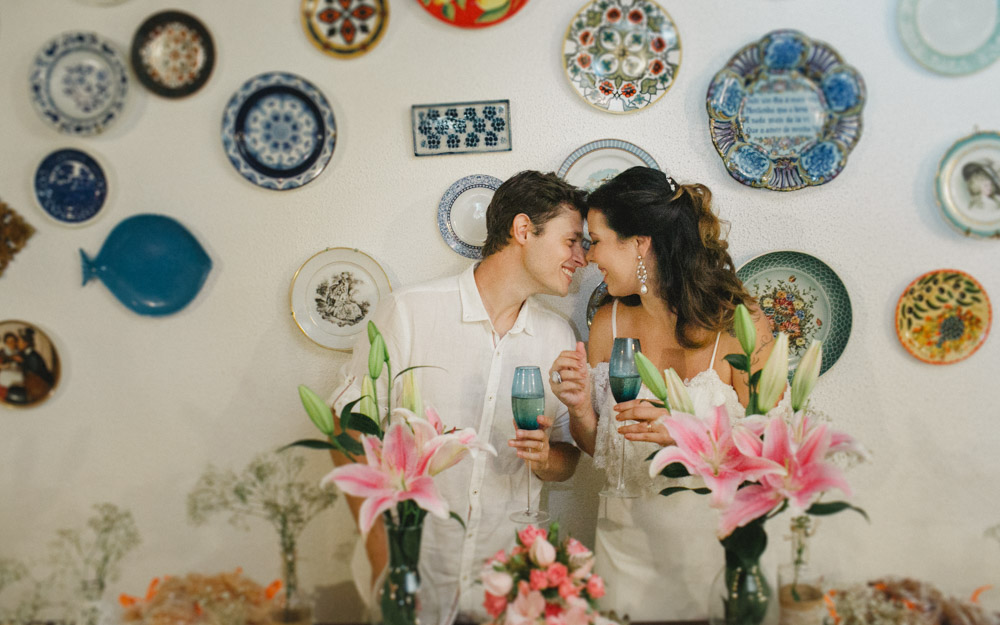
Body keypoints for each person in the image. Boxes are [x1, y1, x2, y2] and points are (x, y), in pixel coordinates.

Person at [329, 170, 588, 624]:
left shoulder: (557, 335)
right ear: (523, 230)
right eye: (572, 241)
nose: (581, 257)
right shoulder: (409, 312)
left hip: (507, 588)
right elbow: (347, 431)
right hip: (415, 578)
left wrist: (545, 458)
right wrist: (384, 562)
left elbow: (567, 461)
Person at [549, 167, 776, 620]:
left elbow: (771, 447)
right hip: (623, 549)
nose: (591, 257)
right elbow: (602, 451)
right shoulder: (606, 323)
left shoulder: (739, 323)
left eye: (596, 240)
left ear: (639, 243)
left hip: (714, 550)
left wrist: (685, 437)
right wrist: (579, 410)